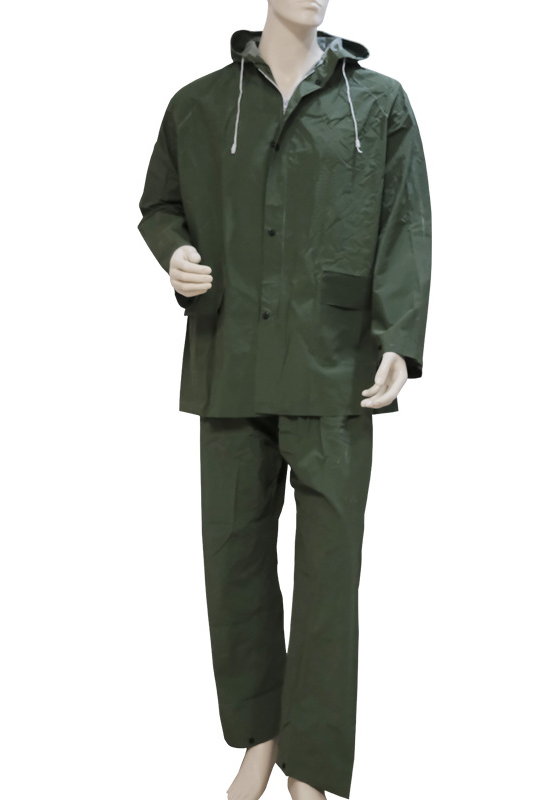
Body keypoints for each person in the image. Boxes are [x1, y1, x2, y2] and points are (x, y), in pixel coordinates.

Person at [136, 2, 431, 797]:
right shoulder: (200, 103)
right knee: (233, 562)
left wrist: (399, 337)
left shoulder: (379, 102)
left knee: (330, 578)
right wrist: (176, 253)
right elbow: (159, 205)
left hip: (336, 367)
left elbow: (405, 220)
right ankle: (260, 739)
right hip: (230, 358)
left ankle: (311, 764)